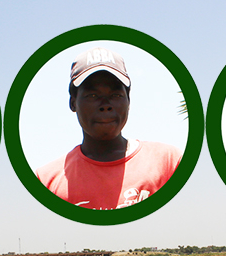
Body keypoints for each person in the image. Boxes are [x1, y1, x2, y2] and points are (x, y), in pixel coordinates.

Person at [36, 47, 183, 210]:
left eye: (115, 95)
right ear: (73, 103)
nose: (105, 105)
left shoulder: (169, 163)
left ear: (128, 101)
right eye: (92, 96)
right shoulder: (46, 182)